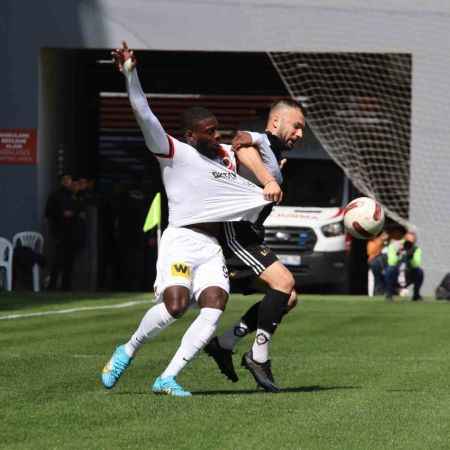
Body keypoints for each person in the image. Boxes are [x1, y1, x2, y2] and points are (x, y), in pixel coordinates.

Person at [101, 42, 279, 397]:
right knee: (176, 307)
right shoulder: (174, 152)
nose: (216, 137)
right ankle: (129, 348)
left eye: (217, 130)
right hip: (181, 241)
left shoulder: (225, 156)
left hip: (211, 247)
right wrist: (130, 73)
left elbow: (260, 155)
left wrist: (268, 175)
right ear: (190, 135)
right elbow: (143, 113)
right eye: (209, 132)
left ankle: (167, 378)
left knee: (214, 306)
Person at [204, 100, 305, 392]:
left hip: (250, 235)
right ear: (276, 123)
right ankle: (257, 357)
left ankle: (225, 343)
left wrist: (274, 172)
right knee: (284, 281)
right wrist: (268, 179)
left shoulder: (275, 155)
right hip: (236, 232)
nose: (300, 134)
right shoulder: (261, 141)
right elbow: (242, 142)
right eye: (296, 126)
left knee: (288, 298)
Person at [45, 174, 82, 290]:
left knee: (69, 262)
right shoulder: (55, 196)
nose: (68, 182)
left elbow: (79, 211)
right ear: (61, 182)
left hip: (72, 233)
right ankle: (52, 285)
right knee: (57, 260)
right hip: (60, 232)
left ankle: (66, 287)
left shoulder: (74, 196)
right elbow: (48, 213)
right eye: (65, 180)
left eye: (69, 180)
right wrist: (62, 214)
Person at [385, 231, 424, 301]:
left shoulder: (416, 249)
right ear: (404, 239)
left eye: (412, 242)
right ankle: (389, 294)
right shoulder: (393, 246)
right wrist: (399, 254)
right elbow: (391, 262)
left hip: (408, 274)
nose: (409, 244)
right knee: (390, 270)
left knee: (420, 271)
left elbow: (417, 264)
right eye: (407, 241)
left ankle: (416, 295)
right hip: (396, 274)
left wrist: (410, 257)